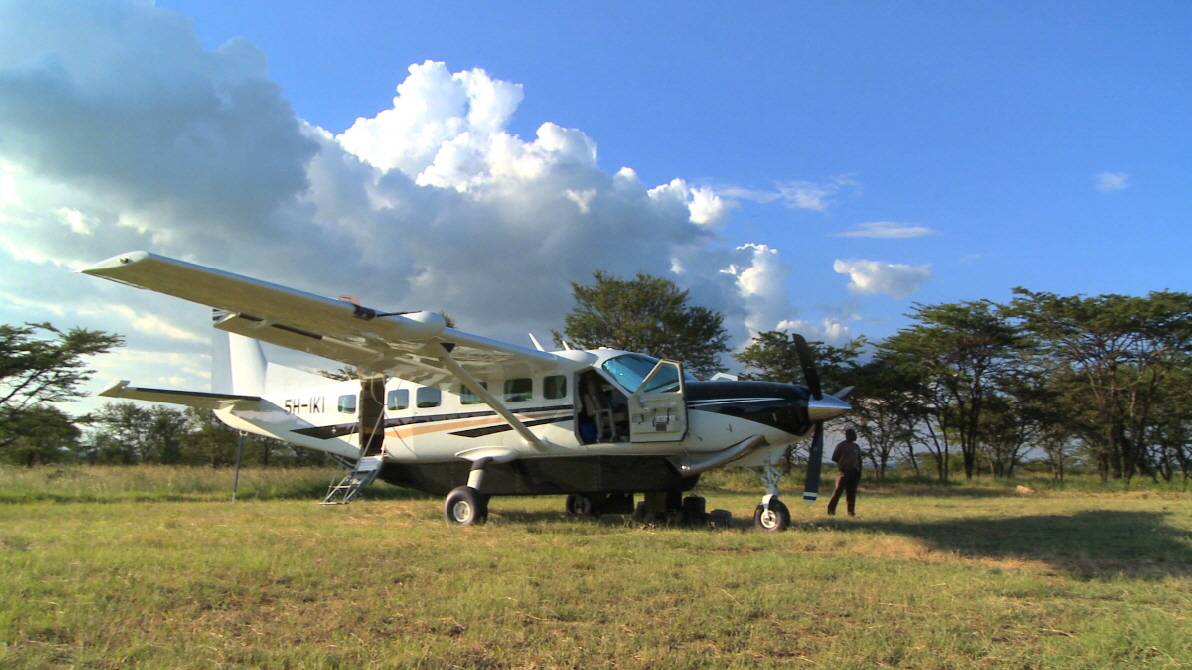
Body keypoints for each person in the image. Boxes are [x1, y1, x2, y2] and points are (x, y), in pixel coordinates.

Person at [826, 428, 862, 516]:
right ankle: (831, 510)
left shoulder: (856, 446)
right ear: (848, 435)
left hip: (853, 472)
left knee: (851, 493)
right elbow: (835, 457)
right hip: (844, 472)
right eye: (853, 434)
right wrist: (842, 464)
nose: (855, 436)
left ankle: (851, 512)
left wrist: (859, 471)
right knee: (838, 491)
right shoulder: (842, 445)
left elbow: (860, 460)